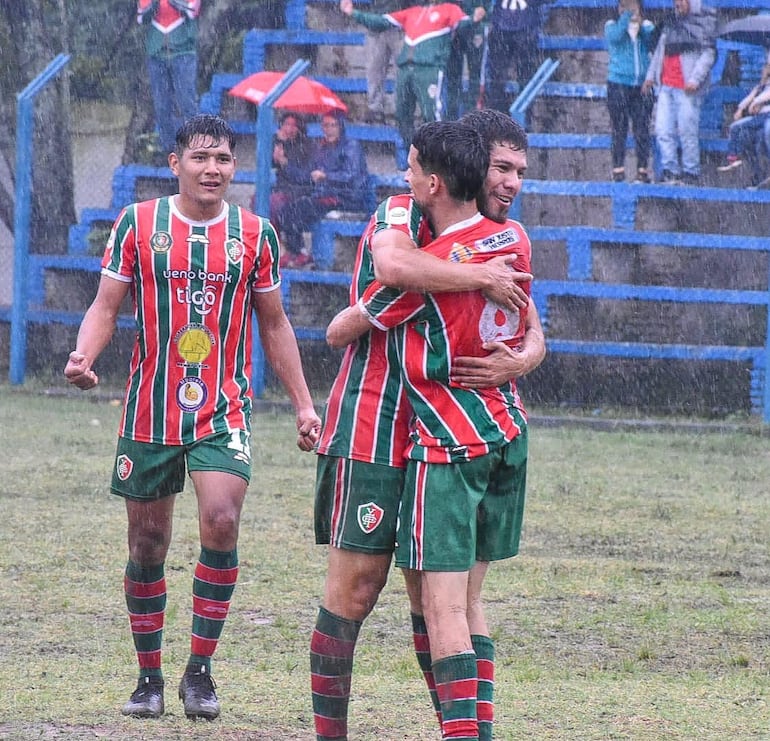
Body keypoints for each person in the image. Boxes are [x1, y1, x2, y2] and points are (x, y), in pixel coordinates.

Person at [63, 114, 321, 721]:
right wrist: (83, 355)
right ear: (174, 163)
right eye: (201, 157)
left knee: (222, 519)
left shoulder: (256, 234)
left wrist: (305, 404)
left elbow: (275, 322)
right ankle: (148, 678)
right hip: (150, 406)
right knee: (148, 540)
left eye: (225, 159)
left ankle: (200, 673)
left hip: (222, 405)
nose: (213, 169)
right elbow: (106, 304)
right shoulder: (138, 223)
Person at [311, 111, 544, 741]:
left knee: (438, 602)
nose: (511, 183)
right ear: (462, 172)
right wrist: (479, 277)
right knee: (359, 588)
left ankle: (462, 729)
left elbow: (526, 315)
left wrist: (526, 352)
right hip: (377, 418)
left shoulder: (496, 234)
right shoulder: (402, 211)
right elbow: (392, 264)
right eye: (502, 168)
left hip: (448, 434)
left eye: (519, 171)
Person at [340, 0, 470, 169]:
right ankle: (416, 155)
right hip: (405, 69)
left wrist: (476, 18)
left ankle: (440, 159)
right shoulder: (412, 12)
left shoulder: (450, 9)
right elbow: (380, 22)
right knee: (402, 115)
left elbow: (466, 25)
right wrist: (352, 12)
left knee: (432, 115)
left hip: (428, 68)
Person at [275, 111, 370, 269]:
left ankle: (301, 254)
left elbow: (352, 176)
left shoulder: (351, 146)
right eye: (326, 125)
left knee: (299, 210)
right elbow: (306, 176)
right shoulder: (321, 148)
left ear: (340, 127)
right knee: (287, 212)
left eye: (333, 125)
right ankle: (299, 252)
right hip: (324, 197)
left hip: (346, 199)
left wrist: (327, 176)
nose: (329, 129)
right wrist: (284, 163)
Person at [641, 0, 716, 185]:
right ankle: (670, 170)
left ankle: (691, 171)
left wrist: (694, 79)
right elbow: (660, 50)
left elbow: (709, 54)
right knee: (662, 130)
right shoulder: (671, 22)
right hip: (666, 86)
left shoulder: (702, 22)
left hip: (687, 88)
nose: (678, 4)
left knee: (687, 131)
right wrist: (651, 76)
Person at [138, 0, 201, 160]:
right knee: (162, 105)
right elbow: (141, 18)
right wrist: (153, 5)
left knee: (187, 102)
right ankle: (169, 149)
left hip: (183, 51)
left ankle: (195, 146)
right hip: (157, 53)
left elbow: (192, 11)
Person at [604, 0, 656, 183]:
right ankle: (618, 168)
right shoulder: (611, 25)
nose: (629, 9)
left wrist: (640, 24)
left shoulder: (647, 26)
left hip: (641, 86)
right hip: (618, 83)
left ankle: (642, 169)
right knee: (619, 128)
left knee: (642, 128)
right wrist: (626, 17)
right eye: (624, 6)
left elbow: (652, 41)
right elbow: (616, 37)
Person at [484, 0, 551, 116]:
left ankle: (524, 116)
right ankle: (498, 116)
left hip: (525, 29)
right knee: (497, 77)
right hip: (502, 29)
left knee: (524, 75)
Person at [267, 112, 314, 265]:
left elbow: (303, 176)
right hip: (282, 189)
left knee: (276, 204)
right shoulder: (280, 143)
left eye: (293, 125)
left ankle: (286, 250)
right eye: (286, 124)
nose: (290, 128)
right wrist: (277, 143)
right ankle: (274, 248)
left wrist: (284, 162)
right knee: (260, 201)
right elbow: (267, 163)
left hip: (301, 191)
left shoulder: (307, 146)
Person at [717, 60, 770, 189]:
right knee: (744, 135)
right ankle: (752, 172)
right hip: (758, 120)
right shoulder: (761, 86)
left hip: (766, 117)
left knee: (759, 138)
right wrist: (741, 108)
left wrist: (755, 103)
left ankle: (737, 158)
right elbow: (750, 97)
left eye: (766, 67)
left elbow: (763, 98)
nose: (763, 69)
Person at [362, 0, 411, 124]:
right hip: (375, 22)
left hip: (400, 23)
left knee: (403, 70)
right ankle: (375, 108)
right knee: (374, 70)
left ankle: (401, 108)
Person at [445, 2, 490, 120]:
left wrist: (482, 11)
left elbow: (483, 9)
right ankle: (451, 117)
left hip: (476, 27)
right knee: (452, 77)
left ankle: (472, 116)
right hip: (453, 29)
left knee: (475, 74)